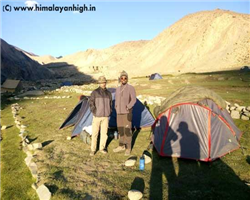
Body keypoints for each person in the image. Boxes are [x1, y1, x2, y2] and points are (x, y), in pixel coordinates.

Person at [113, 71, 136, 156]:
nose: (123, 79)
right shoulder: (118, 89)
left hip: (127, 113)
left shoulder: (130, 88)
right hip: (119, 113)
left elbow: (134, 99)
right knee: (120, 130)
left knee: (127, 131)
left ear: (127, 79)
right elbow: (116, 99)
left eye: (125, 78)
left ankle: (128, 148)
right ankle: (121, 145)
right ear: (120, 79)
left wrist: (128, 106)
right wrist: (116, 107)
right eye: (122, 78)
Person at [89, 76, 112, 156]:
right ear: (99, 83)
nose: (103, 84)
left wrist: (110, 111)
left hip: (105, 117)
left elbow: (110, 104)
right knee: (95, 133)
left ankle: (102, 148)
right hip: (97, 116)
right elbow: (91, 103)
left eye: (104, 82)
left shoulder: (108, 93)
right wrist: (95, 112)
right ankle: (93, 149)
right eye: (102, 82)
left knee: (104, 133)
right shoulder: (95, 92)